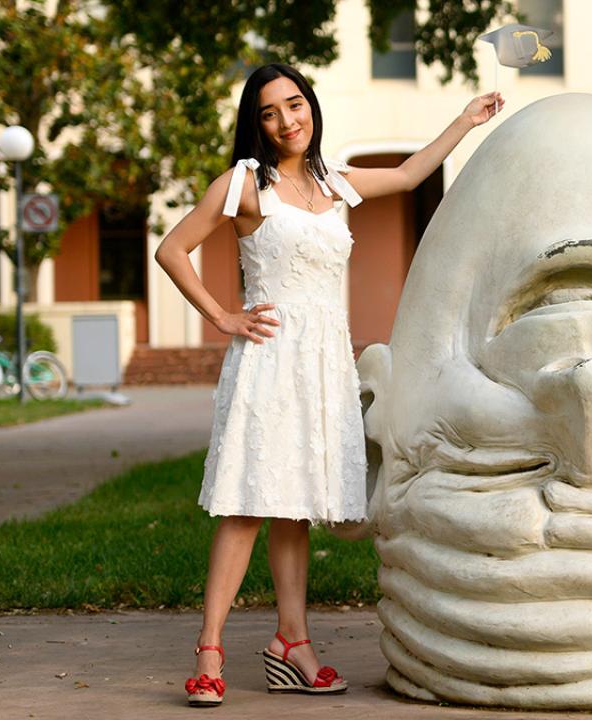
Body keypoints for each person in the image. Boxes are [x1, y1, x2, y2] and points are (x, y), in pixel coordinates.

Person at [155, 63, 502, 707]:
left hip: (322, 362)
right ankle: (209, 650)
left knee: (297, 505)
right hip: (267, 359)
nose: (288, 120)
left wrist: (465, 121)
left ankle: (293, 643)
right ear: (255, 125)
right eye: (270, 112)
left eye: (295, 105)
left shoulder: (333, 181)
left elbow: (405, 175)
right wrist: (223, 316)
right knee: (247, 502)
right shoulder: (244, 183)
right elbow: (173, 249)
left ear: (310, 106)